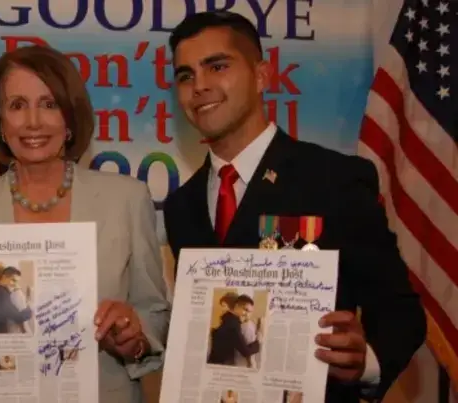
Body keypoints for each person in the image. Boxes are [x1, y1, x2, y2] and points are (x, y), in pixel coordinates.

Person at [162, 11, 425, 403]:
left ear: (262, 76)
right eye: (186, 75)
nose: (199, 86)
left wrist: (365, 360)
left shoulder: (335, 179)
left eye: (217, 66)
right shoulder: (182, 206)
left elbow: (400, 311)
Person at [0, 45, 170, 402]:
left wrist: (134, 337)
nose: (33, 122)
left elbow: (154, 313)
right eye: (17, 105)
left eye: (49, 104)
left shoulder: (127, 200)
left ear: (70, 117)